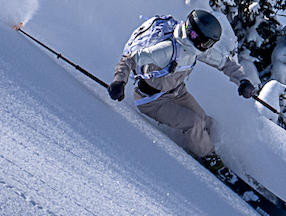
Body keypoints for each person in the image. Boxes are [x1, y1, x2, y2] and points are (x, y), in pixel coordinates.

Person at [109, 9, 259, 159]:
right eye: (206, 42)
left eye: (209, 44)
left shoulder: (197, 49)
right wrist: (119, 81)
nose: (207, 46)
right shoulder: (167, 50)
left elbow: (225, 63)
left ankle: (214, 148)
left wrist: (243, 80)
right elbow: (129, 60)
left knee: (206, 123)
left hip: (176, 92)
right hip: (152, 100)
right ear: (196, 36)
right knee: (193, 123)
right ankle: (209, 157)